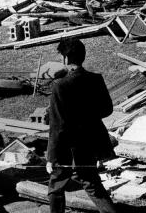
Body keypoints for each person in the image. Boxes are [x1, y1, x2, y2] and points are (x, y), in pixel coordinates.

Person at [47, 39, 117, 213]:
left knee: (56, 187)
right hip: (90, 142)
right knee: (91, 182)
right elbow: (107, 109)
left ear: (65, 58)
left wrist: (51, 157)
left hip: (67, 146)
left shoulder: (60, 85)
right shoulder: (95, 79)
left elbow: (58, 126)